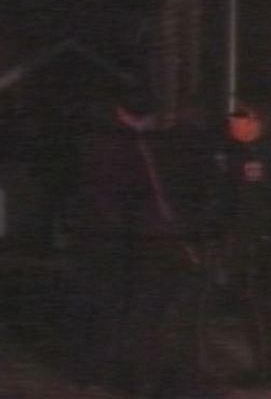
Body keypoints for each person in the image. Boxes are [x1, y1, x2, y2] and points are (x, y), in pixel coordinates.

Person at [69, 86, 210, 398]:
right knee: (145, 310)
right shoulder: (135, 145)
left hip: (106, 237)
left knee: (112, 308)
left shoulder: (97, 141)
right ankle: (141, 377)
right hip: (133, 238)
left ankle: (101, 372)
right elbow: (147, 195)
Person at [213, 104, 271, 384]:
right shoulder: (249, 152)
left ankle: (267, 371)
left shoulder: (259, 155)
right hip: (254, 238)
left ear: (253, 122)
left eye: (237, 121)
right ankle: (264, 367)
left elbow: (258, 201)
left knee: (259, 305)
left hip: (256, 240)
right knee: (255, 304)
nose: (232, 126)